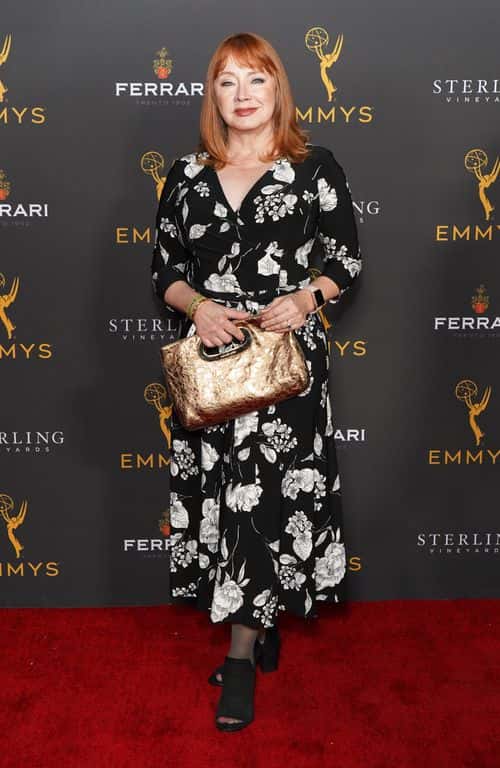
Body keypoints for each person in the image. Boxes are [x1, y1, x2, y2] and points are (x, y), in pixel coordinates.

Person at [150, 31, 362, 732]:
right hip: (212, 369)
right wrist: (200, 307)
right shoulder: (184, 174)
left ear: (278, 91)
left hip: (285, 366)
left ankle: (239, 658)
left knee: (265, 500)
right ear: (211, 94)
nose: (242, 96)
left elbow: (346, 262)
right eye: (227, 82)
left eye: (256, 81)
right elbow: (165, 273)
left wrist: (307, 299)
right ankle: (257, 625)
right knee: (225, 497)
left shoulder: (314, 166)